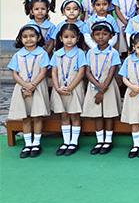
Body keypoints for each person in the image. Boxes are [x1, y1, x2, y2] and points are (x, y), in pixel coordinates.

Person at [7, 25, 50, 158]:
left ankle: (36, 143)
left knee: (37, 116)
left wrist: (32, 86)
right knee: (25, 117)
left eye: (32, 36)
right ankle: (28, 144)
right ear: (20, 39)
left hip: (38, 88)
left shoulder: (42, 54)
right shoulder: (18, 55)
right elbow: (15, 74)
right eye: (25, 37)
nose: (29, 39)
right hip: (22, 89)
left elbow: (43, 72)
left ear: (39, 37)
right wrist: (26, 86)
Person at [82, 22, 122, 155]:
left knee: (109, 114)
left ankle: (108, 141)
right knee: (97, 114)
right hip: (95, 86)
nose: (101, 37)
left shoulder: (113, 52)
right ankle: (100, 141)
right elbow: (88, 72)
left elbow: (112, 71)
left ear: (111, 36)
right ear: (92, 36)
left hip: (108, 86)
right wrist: (98, 87)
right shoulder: (90, 52)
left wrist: (103, 88)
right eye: (97, 34)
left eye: (104, 34)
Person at [50, 23, 87, 156]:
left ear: (78, 38)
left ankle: (74, 142)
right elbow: (54, 72)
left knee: (74, 114)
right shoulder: (57, 54)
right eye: (66, 37)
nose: (69, 40)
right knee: (64, 115)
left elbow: (81, 72)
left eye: (72, 37)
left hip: (74, 87)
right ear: (61, 38)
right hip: (59, 87)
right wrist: (57, 88)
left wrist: (70, 87)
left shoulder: (80, 53)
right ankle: (66, 141)